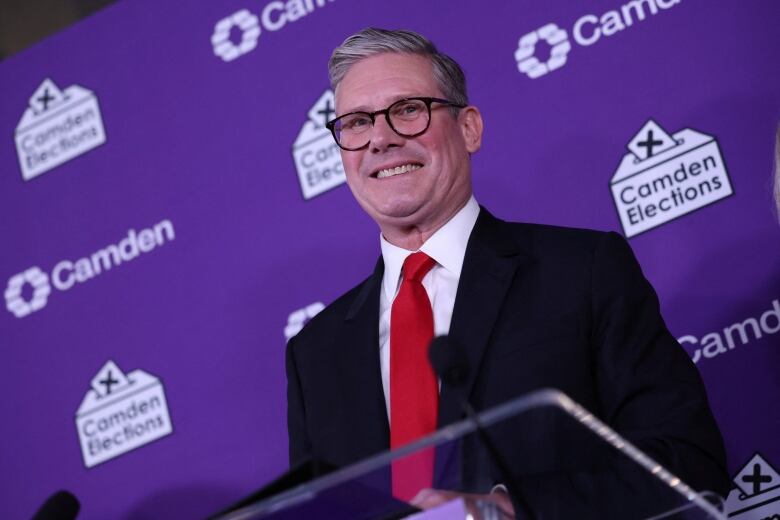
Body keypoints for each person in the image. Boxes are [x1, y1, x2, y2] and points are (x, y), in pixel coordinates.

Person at [286, 28, 729, 517]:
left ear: (469, 127)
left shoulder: (581, 272)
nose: (381, 138)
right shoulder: (315, 355)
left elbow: (689, 465)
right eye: (356, 122)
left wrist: (506, 510)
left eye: (408, 110)